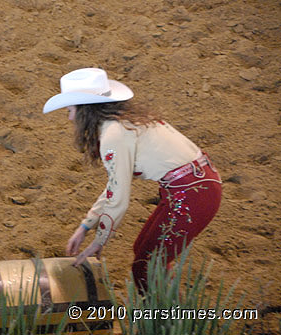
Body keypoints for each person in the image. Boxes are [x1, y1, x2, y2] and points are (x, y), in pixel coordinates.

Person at [43, 68, 222, 292]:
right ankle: (168, 308)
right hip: (196, 186)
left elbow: (118, 196)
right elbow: (115, 186)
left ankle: (163, 319)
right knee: (146, 252)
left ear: (85, 111)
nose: (69, 117)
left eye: (70, 110)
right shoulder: (125, 123)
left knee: (147, 265)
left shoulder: (113, 135)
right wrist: (86, 225)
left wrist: (99, 239)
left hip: (192, 193)